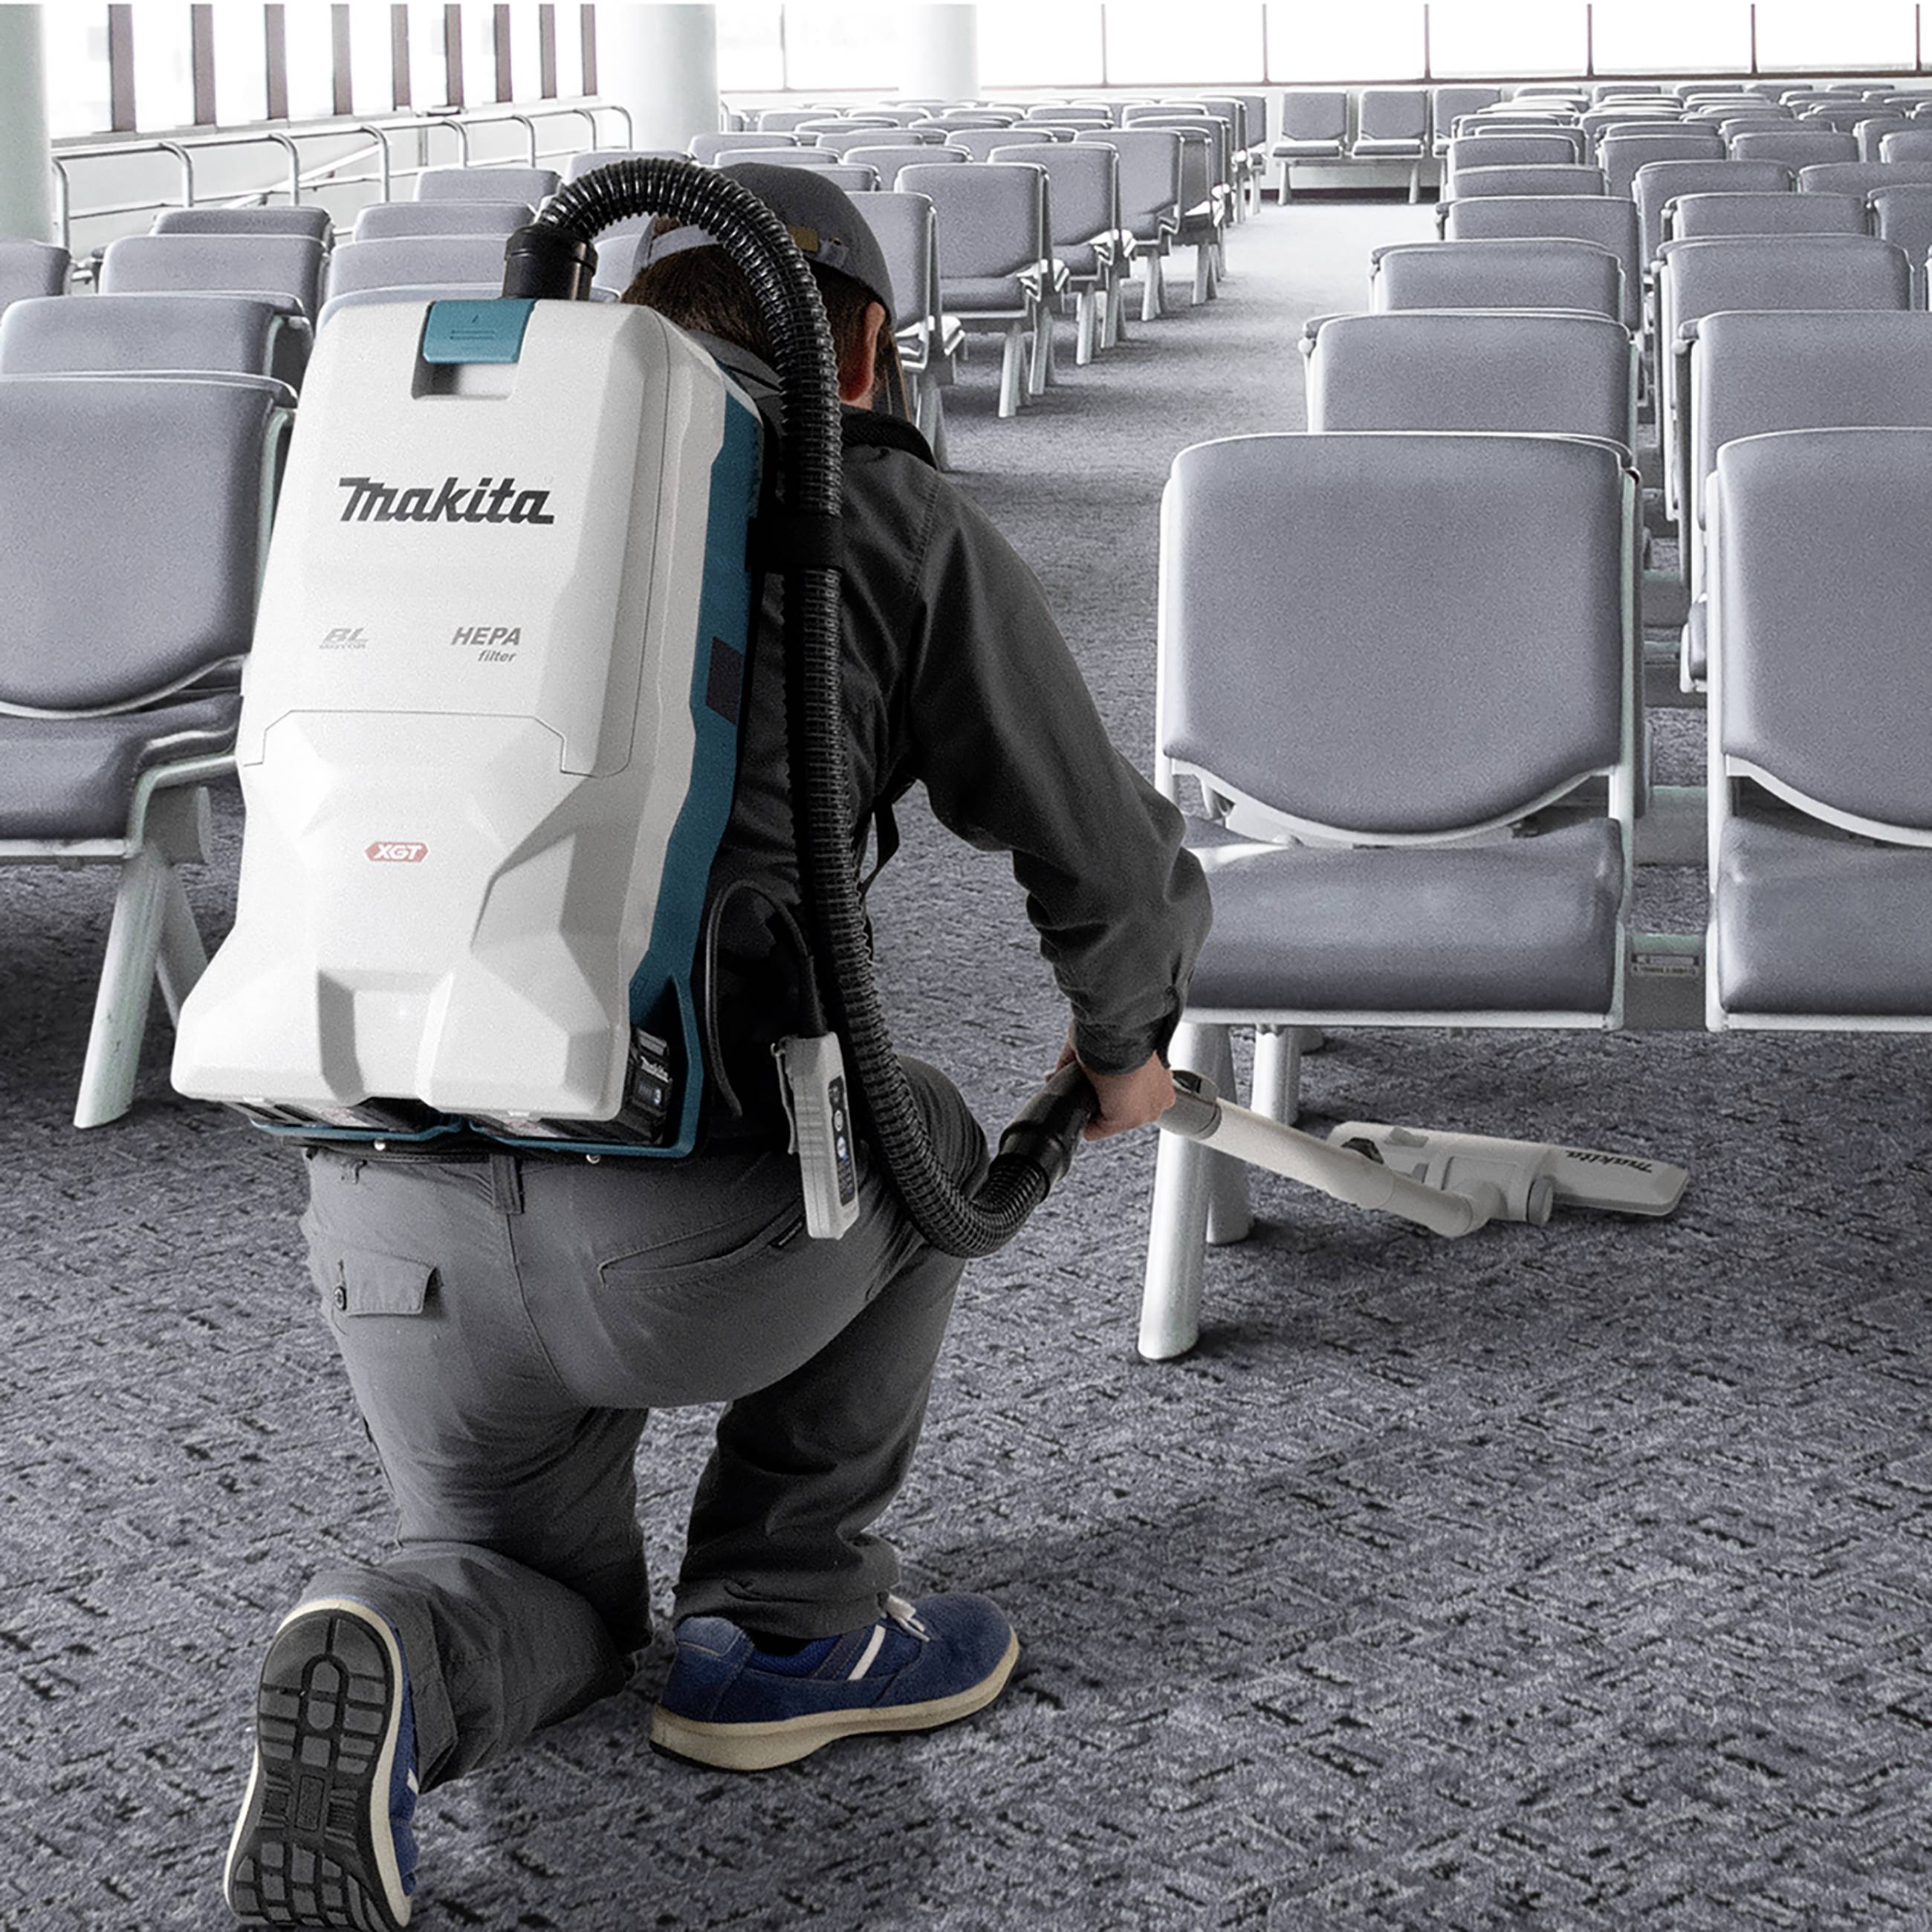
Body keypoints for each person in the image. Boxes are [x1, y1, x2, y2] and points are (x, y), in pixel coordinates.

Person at [224, 163, 1210, 1930]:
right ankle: (788, 1612)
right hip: (694, 1230)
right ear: (870, 350)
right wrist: (1125, 1046)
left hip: (380, 1210)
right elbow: (1107, 859)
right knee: (918, 1126)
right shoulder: (875, 509)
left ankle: (395, 1636)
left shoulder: (449, 484)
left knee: (546, 1601)